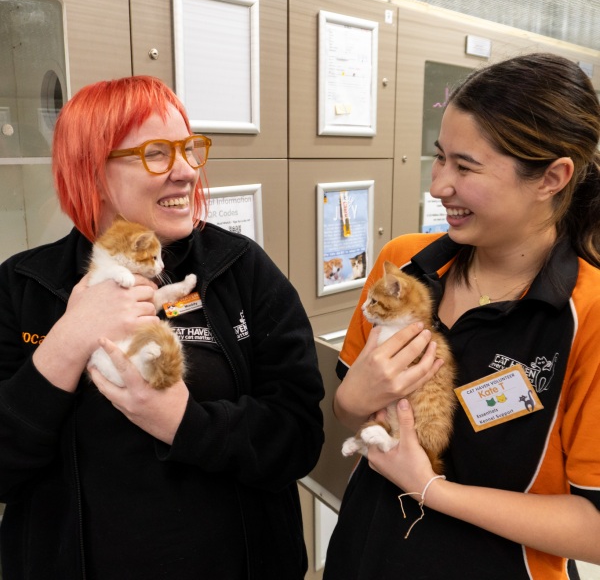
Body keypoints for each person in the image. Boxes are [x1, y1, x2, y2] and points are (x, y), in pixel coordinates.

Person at [0, 76, 325, 579]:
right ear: (91, 169)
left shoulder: (238, 268)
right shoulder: (22, 286)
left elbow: (299, 437)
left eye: (189, 149)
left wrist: (184, 422)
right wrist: (66, 342)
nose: (186, 171)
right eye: (156, 153)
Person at [324, 52, 600, 580]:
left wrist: (432, 490)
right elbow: (353, 411)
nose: (437, 186)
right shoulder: (402, 267)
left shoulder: (588, 315)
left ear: (552, 178)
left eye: (465, 167)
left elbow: (595, 526)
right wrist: (351, 400)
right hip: (365, 555)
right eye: (439, 157)